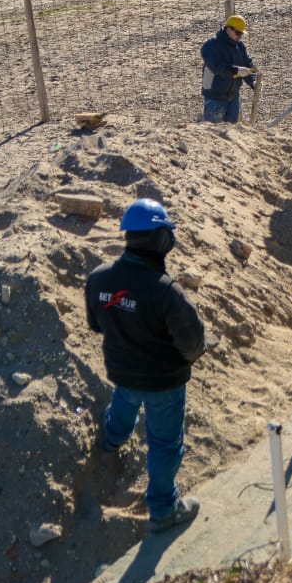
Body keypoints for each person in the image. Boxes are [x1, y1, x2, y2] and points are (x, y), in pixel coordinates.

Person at [85, 198, 207, 535]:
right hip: (164, 383)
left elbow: (97, 325)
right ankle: (164, 510)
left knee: (124, 403)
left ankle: (111, 439)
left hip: (123, 371)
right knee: (165, 445)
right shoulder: (168, 293)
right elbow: (194, 345)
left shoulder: (99, 279)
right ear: (159, 239)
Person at [200, 14, 257, 124]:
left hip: (233, 97)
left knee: (232, 133)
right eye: (238, 33)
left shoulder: (239, 46)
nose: (240, 36)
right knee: (213, 132)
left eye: (241, 34)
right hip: (215, 96)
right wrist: (236, 71)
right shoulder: (211, 46)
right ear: (229, 30)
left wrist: (253, 82)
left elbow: (248, 65)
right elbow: (216, 67)